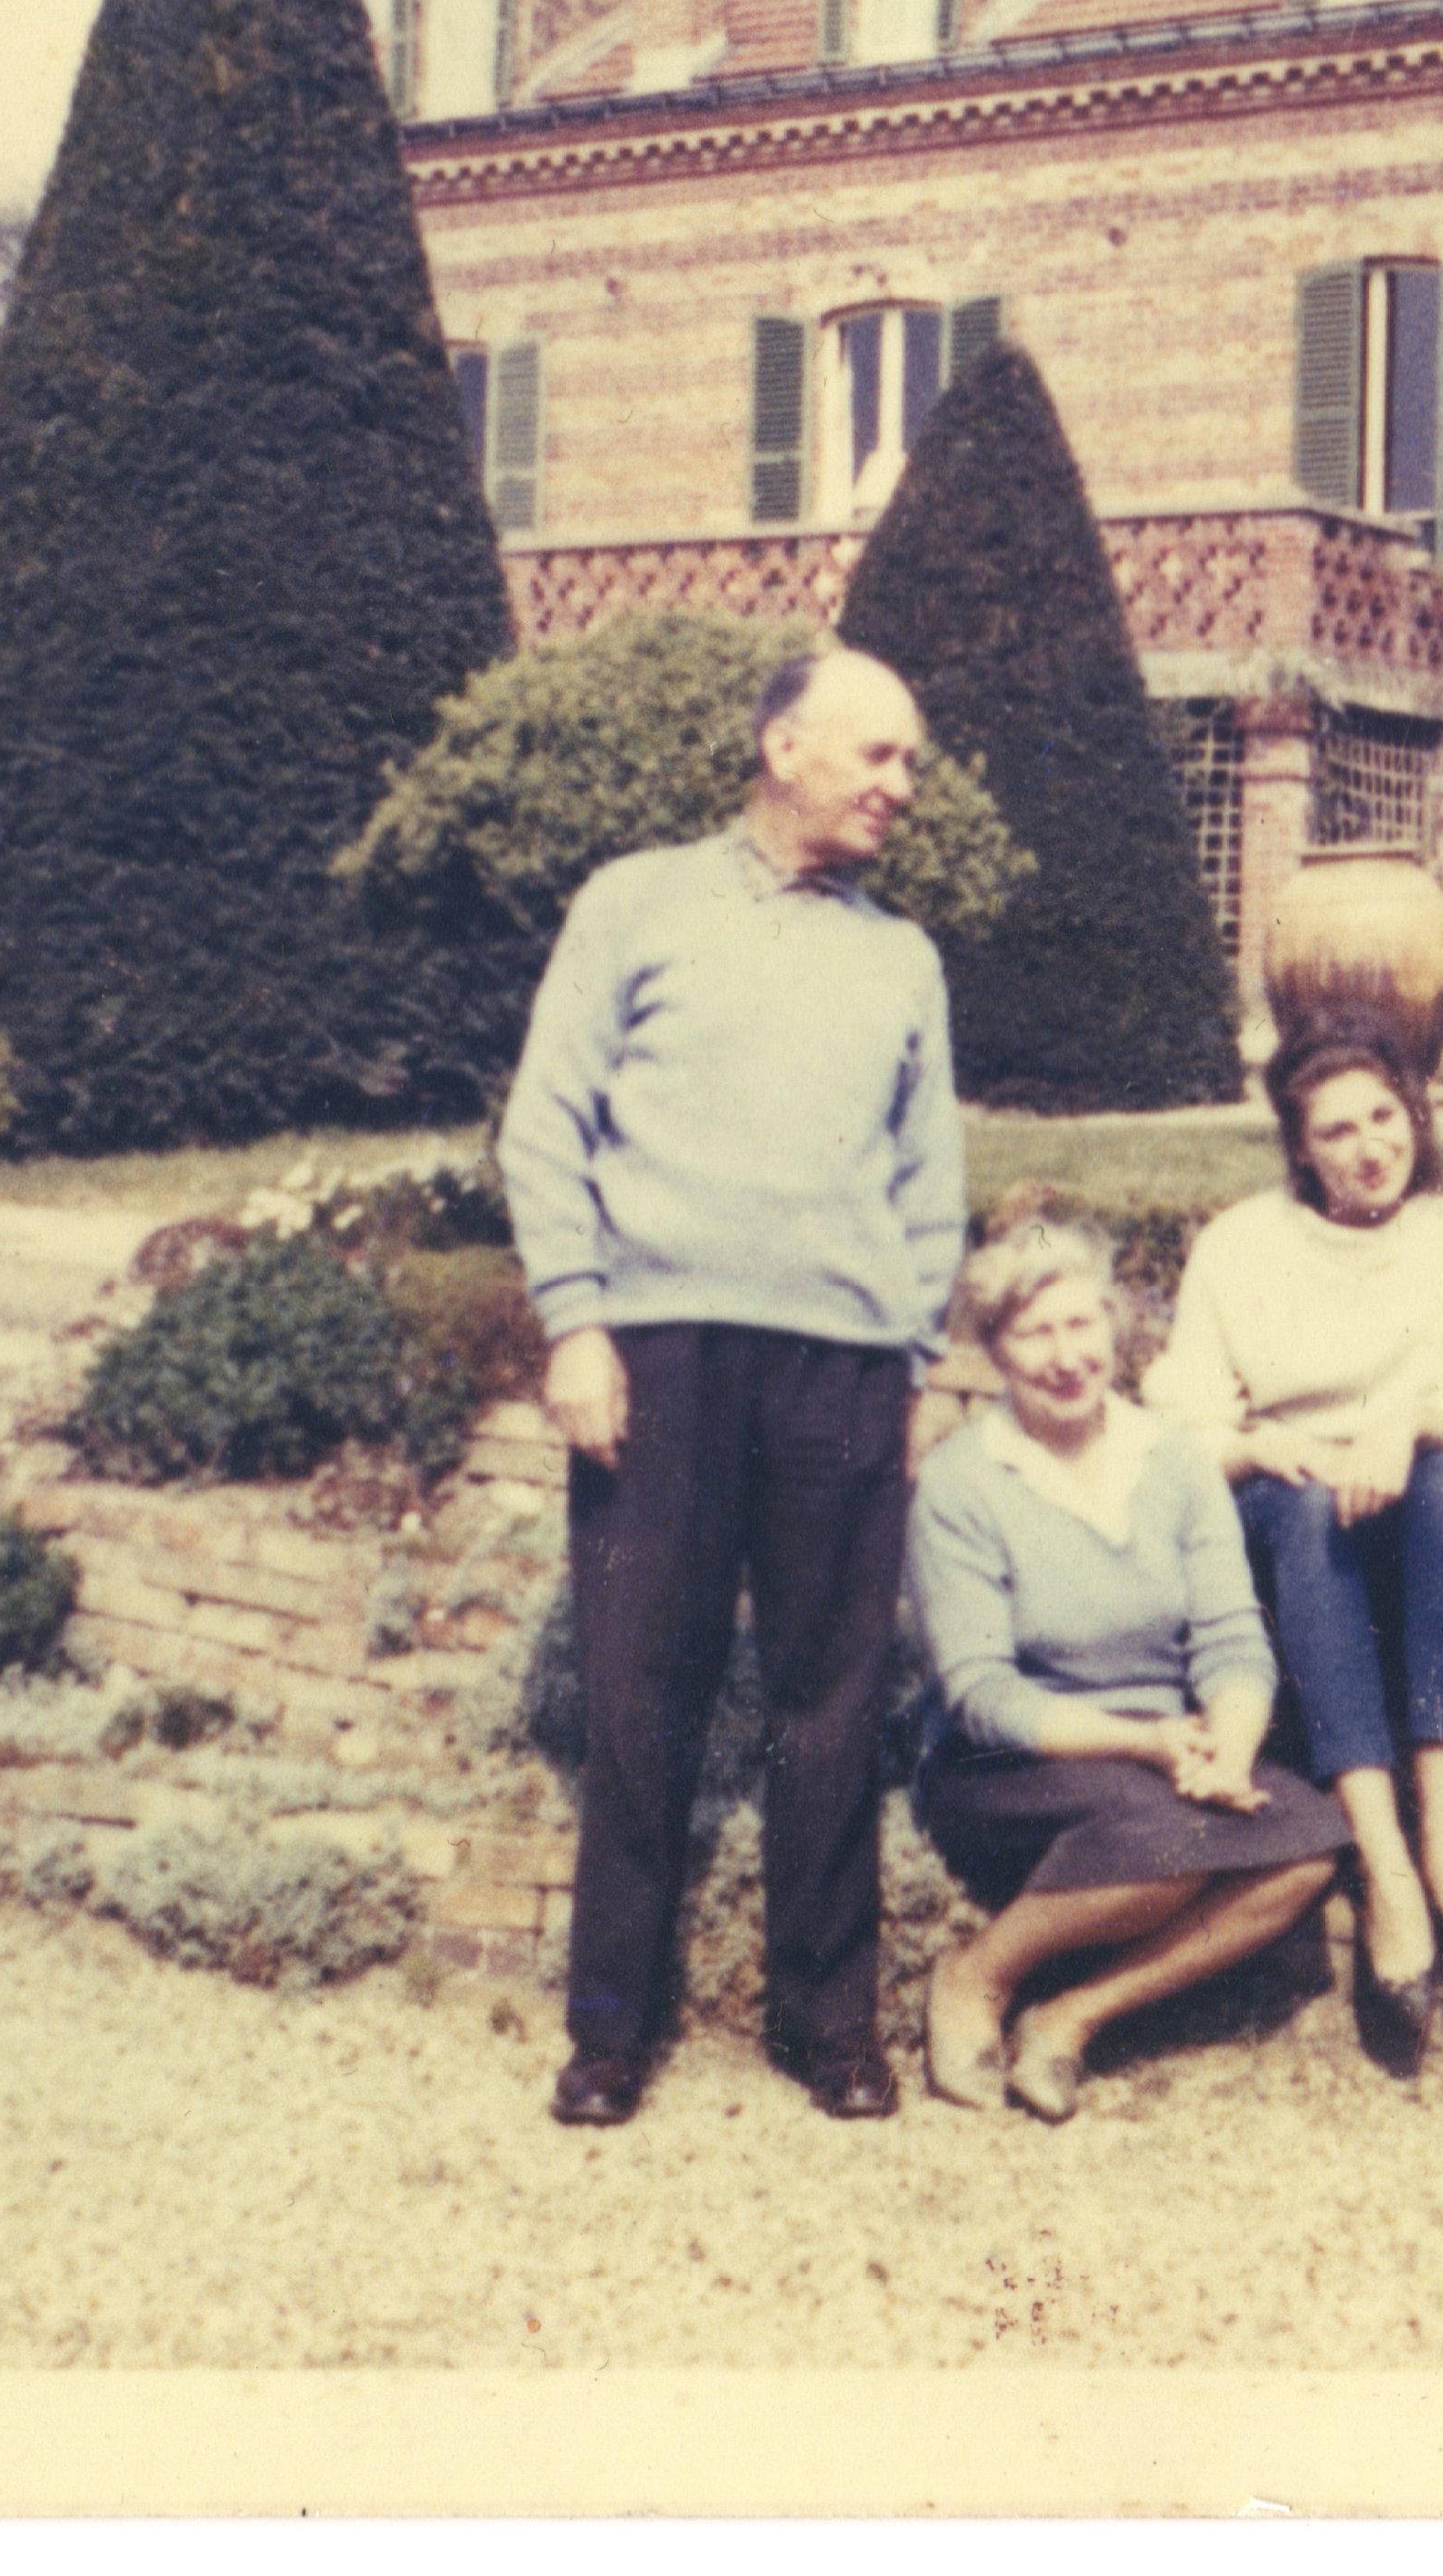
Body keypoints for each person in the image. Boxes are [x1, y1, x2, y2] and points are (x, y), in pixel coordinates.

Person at [496, 645, 965, 2128]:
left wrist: (917, 1355)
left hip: (841, 1365)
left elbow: (929, 1176)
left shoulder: (902, 956)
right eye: (878, 756)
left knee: (832, 1704)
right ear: (781, 747)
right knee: (646, 1691)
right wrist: (574, 1320)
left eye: (909, 761)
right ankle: (610, 2033)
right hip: (661, 1357)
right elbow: (545, 1119)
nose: (904, 786)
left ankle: (827, 2023)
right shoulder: (636, 901)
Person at [1142, 1017, 1443, 2072]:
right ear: (1299, 1147)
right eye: (1336, 1130)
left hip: (1412, 1492)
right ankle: (1383, 1861)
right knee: (1306, 1503)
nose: (1368, 1147)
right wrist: (1257, 1440)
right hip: (1286, 1501)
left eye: (1383, 1118)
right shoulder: (1241, 1243)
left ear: (1415, 1116)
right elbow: (1177, 1412)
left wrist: (1405, 1421)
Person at [905, 1222, 1350, 2122]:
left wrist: (1226, 1750)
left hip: (1161, 1753)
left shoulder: (1176, 1460)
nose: (1068, 1357)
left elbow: (1229, 1638)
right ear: (992, 1350)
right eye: (1035, 1335)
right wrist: (1145, 1743)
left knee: (1308, 1844)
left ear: (1113, 1329)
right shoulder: (960, 1482)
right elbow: (980, 1693)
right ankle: (972, 1978)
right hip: (1007, 1762)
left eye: (1082, 1326)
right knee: (1163, 1833)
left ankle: (1069, 2016)